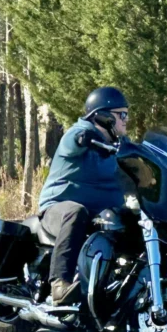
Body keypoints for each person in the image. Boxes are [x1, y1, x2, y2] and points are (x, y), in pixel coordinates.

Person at [37, 87, 131, 305]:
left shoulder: (121, 145)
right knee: (76, 211)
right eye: (122, 115)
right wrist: (84, 138)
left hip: (100, 212)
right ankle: (60, 284)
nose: (126, 120)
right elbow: (73, 141)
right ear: (103, 116)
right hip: (57, 207)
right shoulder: (81, 132)